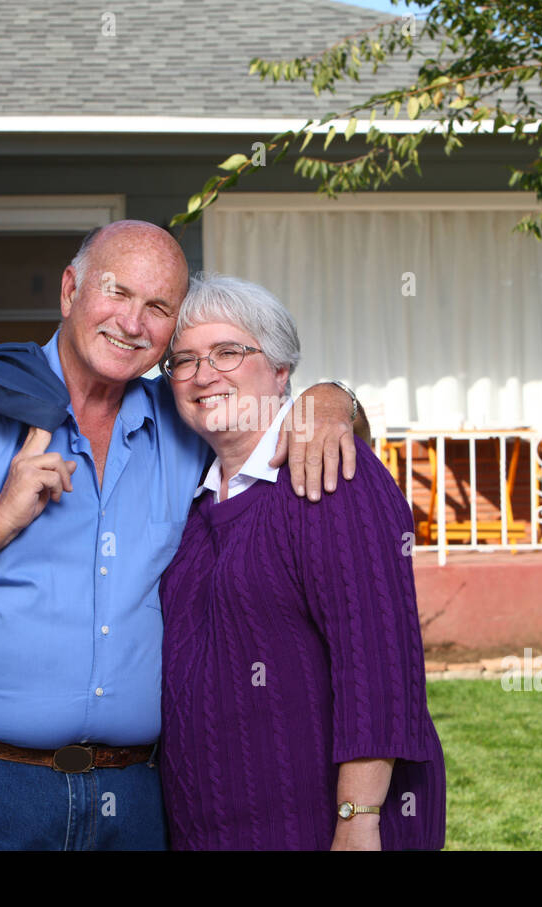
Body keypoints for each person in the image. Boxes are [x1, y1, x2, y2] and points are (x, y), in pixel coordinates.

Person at [0, 221, 362, 850]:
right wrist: (0, 516)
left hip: (134, 798)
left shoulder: (185, 423)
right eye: (117, 293)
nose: (133, 323)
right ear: (70, 290)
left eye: (158, 308)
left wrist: (332, 398)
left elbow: (273, 410)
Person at [157, 274, 446, 851]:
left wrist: (358, 816)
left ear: (282, 370)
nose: (203, 373)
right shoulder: (191, 499)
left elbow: (378, 660)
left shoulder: (329, 472)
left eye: (228, 352)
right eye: (183, 360)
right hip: (212, 826)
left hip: (322, 827)